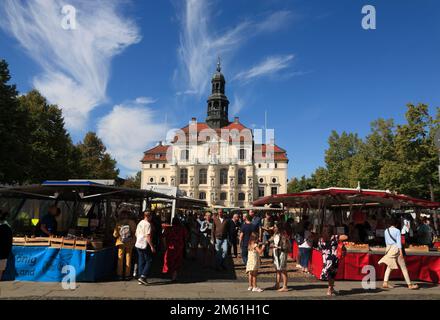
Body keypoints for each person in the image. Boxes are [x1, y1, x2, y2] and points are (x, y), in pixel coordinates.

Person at [379, 217, 419, 290]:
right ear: (396, 224)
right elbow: (398, 243)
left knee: (389, 266)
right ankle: (409, 285)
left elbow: (386, 242)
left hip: (389, 249)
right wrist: (401, 252)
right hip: (396, 249)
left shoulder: (386, 231)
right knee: (403, 267)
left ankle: (385, 282)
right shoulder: (397, 231)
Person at [317, 225, 348, 296]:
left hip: (325, 259)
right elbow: (346, 237)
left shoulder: (320, 239)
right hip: (334, 258)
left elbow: (319, 248)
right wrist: (338, 234)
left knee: (330, 274)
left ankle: (331, 288)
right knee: (332, 274)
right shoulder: (334, 237)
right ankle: (329, 290)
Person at [113, 210, 137, 280]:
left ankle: (119, 275)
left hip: (121, 242)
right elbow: (135, 232)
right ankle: (127, 275)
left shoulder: (118, 223)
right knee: (128, 258)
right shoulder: (132, 222)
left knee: (120, 259)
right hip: (130, 242)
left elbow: (115, 234)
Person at [162, 217, 188, 282]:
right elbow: (186, 237)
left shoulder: (168, 229)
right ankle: (174, 276)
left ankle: (169, 273)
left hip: (170, 247)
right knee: (177, 262)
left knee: (169, 260)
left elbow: (163, 237)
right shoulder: (182, 229)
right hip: (179, 247)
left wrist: (164, 245)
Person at [135, 211, 156, 285]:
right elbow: (148, 236)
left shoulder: (140, 222)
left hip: (138, 243)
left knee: (141, 260)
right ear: (149, 216)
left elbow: (136, 233)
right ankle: (143, 276)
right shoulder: (148, 224)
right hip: (145, 244)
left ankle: (140, 277)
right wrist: (151, 246)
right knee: (149, 260)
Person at [270, 222, 290, 292]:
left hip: (282, 253)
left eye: (275, 227)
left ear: (279, 227)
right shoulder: (275, 234)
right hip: (276, 253)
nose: (274, 228)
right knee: (278, 270)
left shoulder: (283, 235)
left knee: (283, 270)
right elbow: (271, 240)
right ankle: (277, 284)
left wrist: (277, 247)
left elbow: (285, 246)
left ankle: (285, 286)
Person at [0, 210, 12, 281]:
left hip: (3, 252)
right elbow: (10, 242)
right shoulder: (8, 228)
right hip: (4, 253)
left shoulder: (5, 228)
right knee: (1, 269)